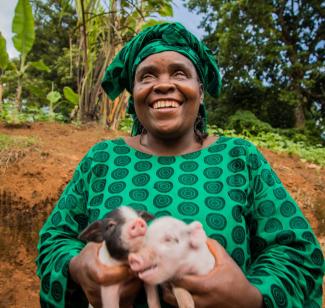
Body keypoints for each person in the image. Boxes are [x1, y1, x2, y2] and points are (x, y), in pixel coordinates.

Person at [36, 22, 324, 308]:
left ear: (200, 90)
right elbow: (55, 239)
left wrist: (251, 296)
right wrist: (77, 265)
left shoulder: (239, 157)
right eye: (146, 76)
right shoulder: (103, 159)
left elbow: (296, 248)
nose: (163, 85)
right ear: (133, 93)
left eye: (179, 73)